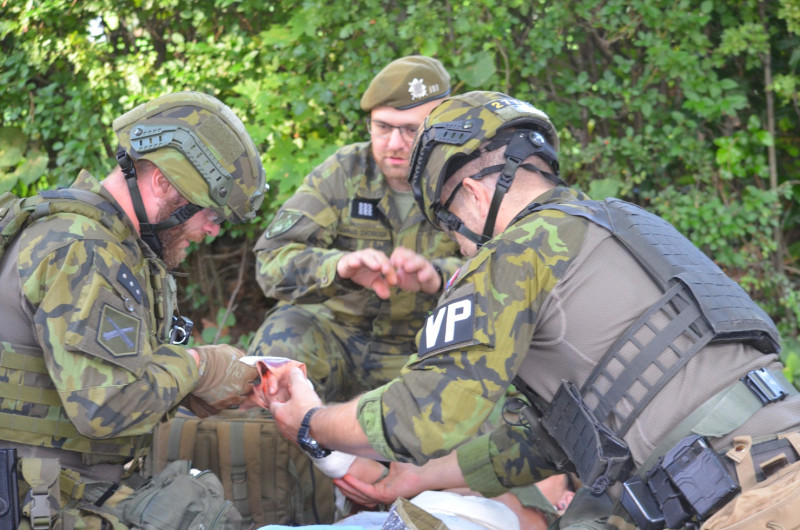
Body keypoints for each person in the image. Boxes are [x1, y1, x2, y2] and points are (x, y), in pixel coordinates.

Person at [268, 90, 800, 528]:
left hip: (747, 503)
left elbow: (423, 416)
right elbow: (550, 440)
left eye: (450, 229)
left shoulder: (515, 253)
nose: (460, 249)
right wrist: (417, 479)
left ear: (474, 196)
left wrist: (312, 421)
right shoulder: (625, 225)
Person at [0, 91, 266, 528]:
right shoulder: (84, 251)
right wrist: (199, 367)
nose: (212, 230)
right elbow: (106, 405)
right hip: (38, 501)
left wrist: (195, 389)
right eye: (211, 214)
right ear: (162, 182)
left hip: (65, 486)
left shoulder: (111, 245)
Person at [248, 55, 462, 402]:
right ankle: (287, 435)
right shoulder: (345, 172)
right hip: (337, 334)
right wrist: (337, 268)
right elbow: (271, 261)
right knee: (281, 346)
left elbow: (505, 273)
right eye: (383, 127)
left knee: (473, 400)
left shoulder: (465, 179)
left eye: (411, 130)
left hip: (424, 346)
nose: (394, 143)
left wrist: (439, 277)